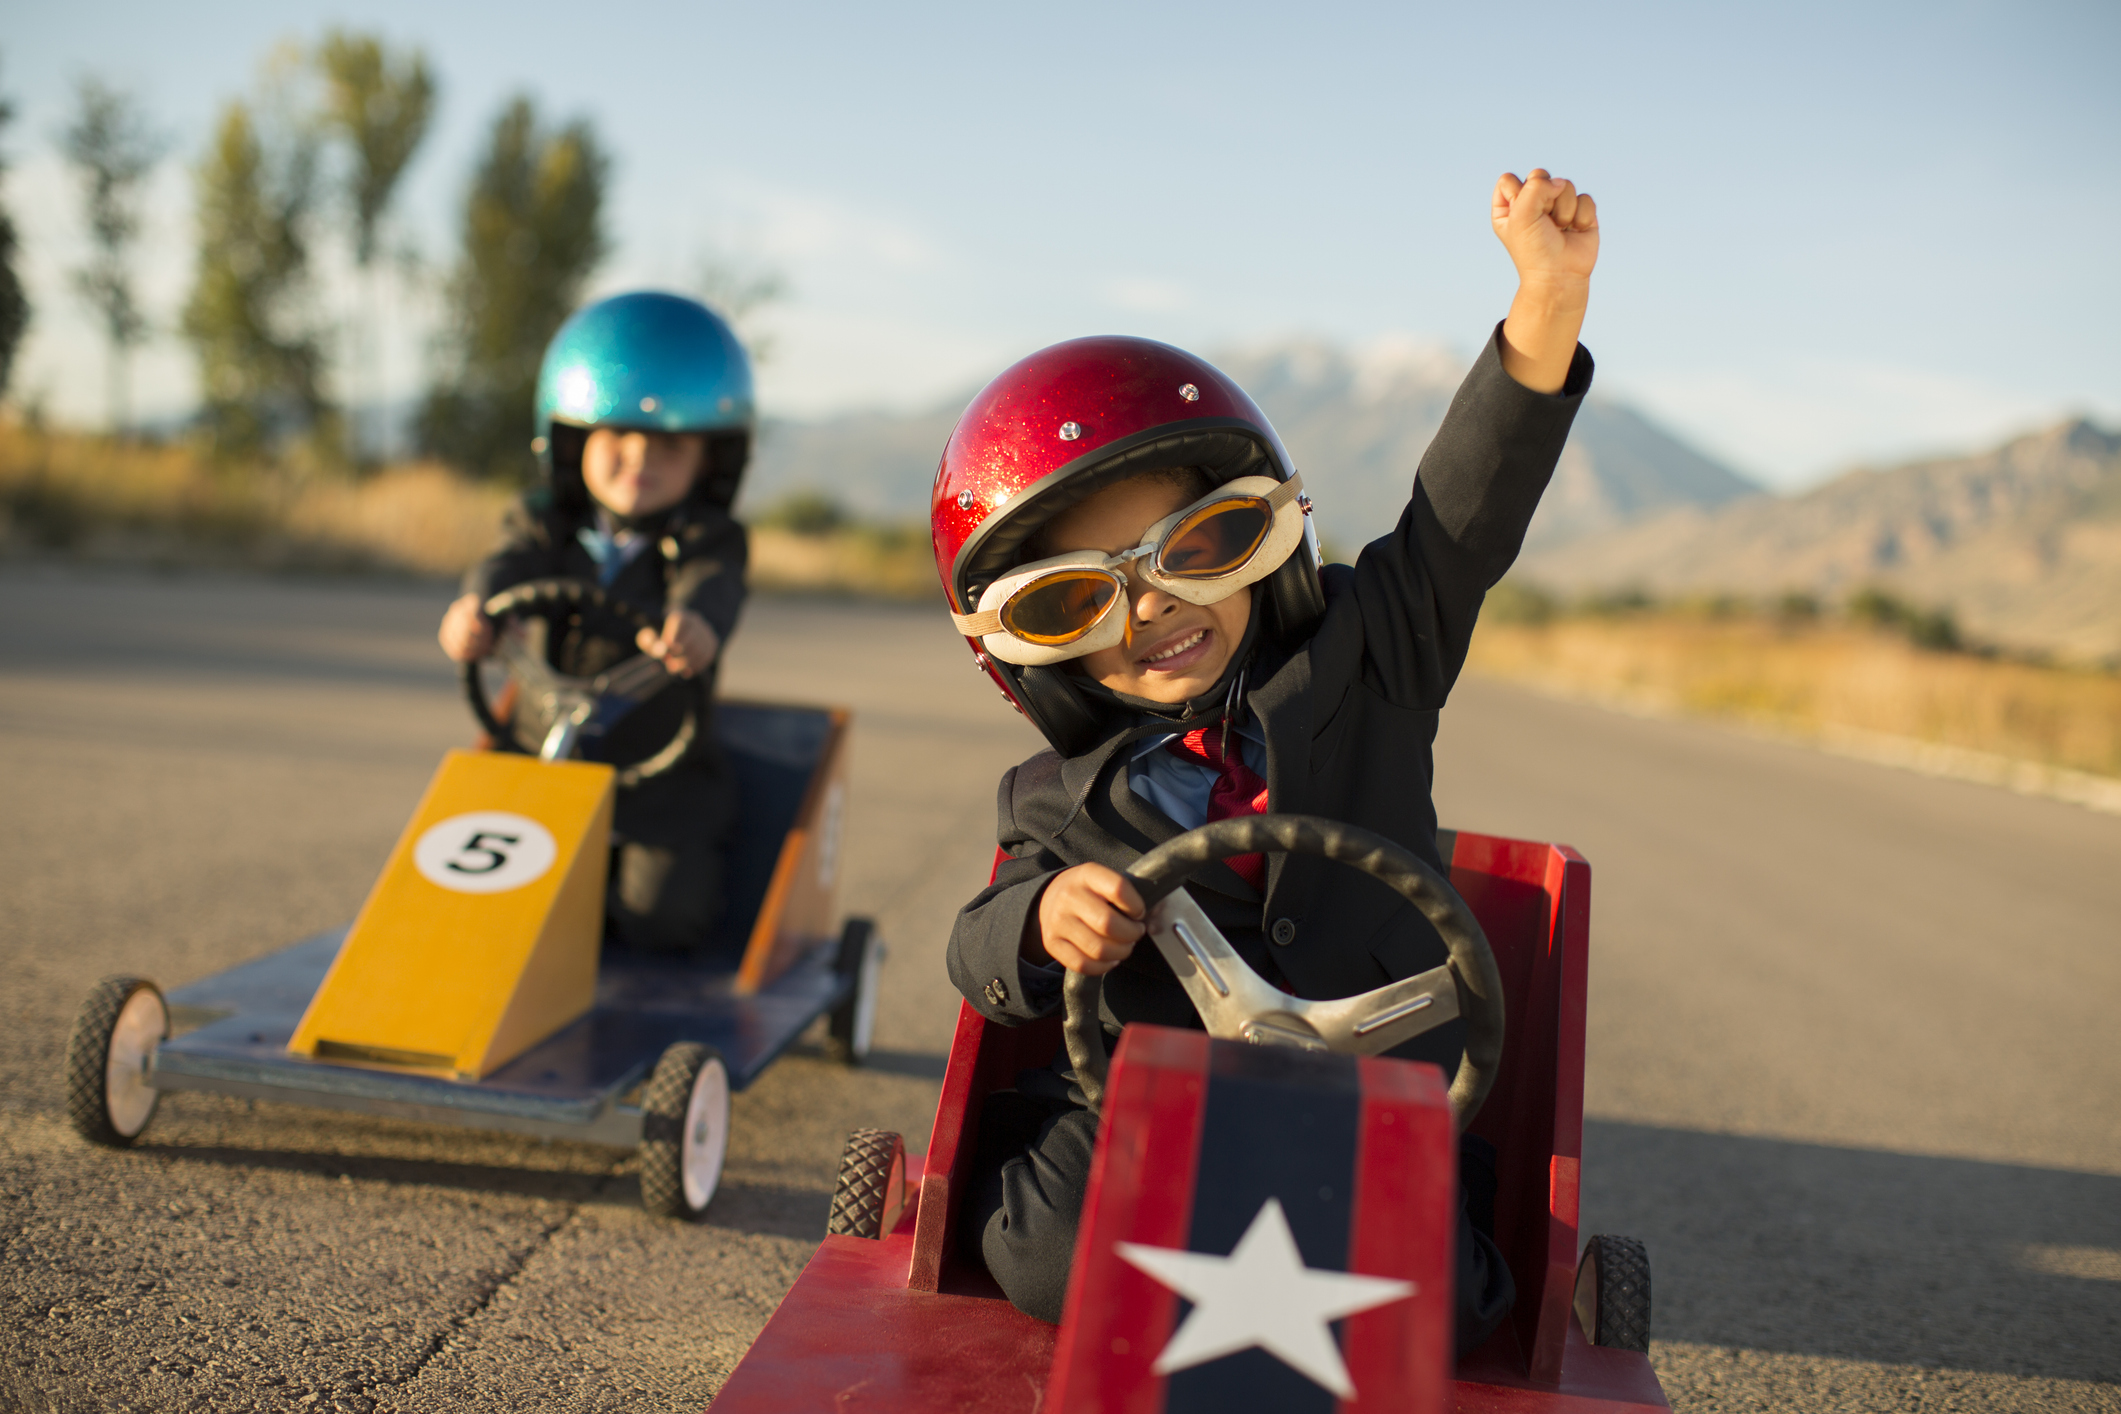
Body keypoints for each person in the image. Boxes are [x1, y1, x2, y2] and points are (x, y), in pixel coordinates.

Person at [935, 170, 1600, 1352]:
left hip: (1372, 1112)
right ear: (1028, 651)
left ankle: (1400, 1257)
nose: (1151, 617)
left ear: (1268, 532)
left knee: (1443, 1304)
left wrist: (1545, 307)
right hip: (1152, 1123)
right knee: (1034, 1246)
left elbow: (1461, 522)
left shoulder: (1368, 656)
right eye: (1080, 602)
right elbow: (974, 948)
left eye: (1199, 547)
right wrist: (1042, 919)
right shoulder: (1056, 802)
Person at [438, 291, 752, 957]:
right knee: (477, 899)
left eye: (669, 440)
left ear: (709, 458)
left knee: (661, 917)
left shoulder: (709, 538)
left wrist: (695, 624)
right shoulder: (542, 520)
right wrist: (476, 611)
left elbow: (713, 587)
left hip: (659, 774)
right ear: (573, 438)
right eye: (616, 435)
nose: (640, 456)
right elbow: (506, 565)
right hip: (535, 755)